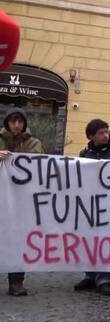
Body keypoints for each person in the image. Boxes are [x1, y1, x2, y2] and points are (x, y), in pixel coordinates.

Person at [74, 119, 110, 295]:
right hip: (90, 203)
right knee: (89, 239)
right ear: (91, 136)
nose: (105, 135)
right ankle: (90, 275)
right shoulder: (84, 153)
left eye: (106, 131)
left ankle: (103, 277)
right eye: (101, 133)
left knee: (105, 239)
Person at [0, 108, 44, 296]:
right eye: (13, 121)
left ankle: (16, 282)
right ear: (7, 123)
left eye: (20, 121)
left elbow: (40, 166)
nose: (16, 125)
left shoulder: (34, 143)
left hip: (21, 201)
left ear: (24, 123)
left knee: (18, 240)